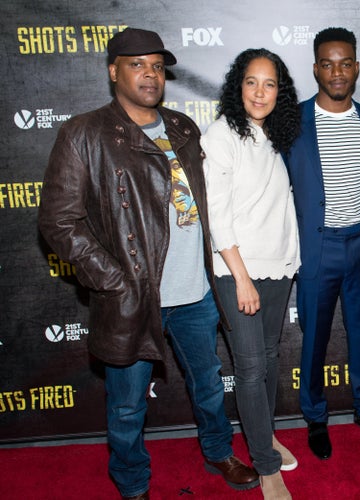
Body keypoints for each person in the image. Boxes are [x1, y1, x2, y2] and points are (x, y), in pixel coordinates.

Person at [37, 28, 259, 499]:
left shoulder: (182, 127)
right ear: (113, 70)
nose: (150, 74)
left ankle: (219, 451)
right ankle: (133, 484)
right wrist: (114, 281)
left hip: (195, 293)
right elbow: (58, 222)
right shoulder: (84, 133)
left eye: (157, 65)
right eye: (137, 64)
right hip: (133, 300)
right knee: (125, 408)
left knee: (209, 387)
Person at [284, 26, 360, 460]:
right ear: (315, 69)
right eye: (327, 64)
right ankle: (315, 418)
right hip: (318, 247)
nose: (337, 72)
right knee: (314, 338)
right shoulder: (293, 121)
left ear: (357, 68)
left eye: (345, 63)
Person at [202, 48, 300, 499]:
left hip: (278, 267)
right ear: (236, 86)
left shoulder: (273, 135)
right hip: (238, 271)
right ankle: (265, 466)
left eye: (270, 83)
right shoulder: (221, 136)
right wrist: (241, 278)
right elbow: (218, 218)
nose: (260, 92)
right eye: (251, 82)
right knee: (250, 366)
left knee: (270, 359)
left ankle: (266, 438)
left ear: (279, 92)